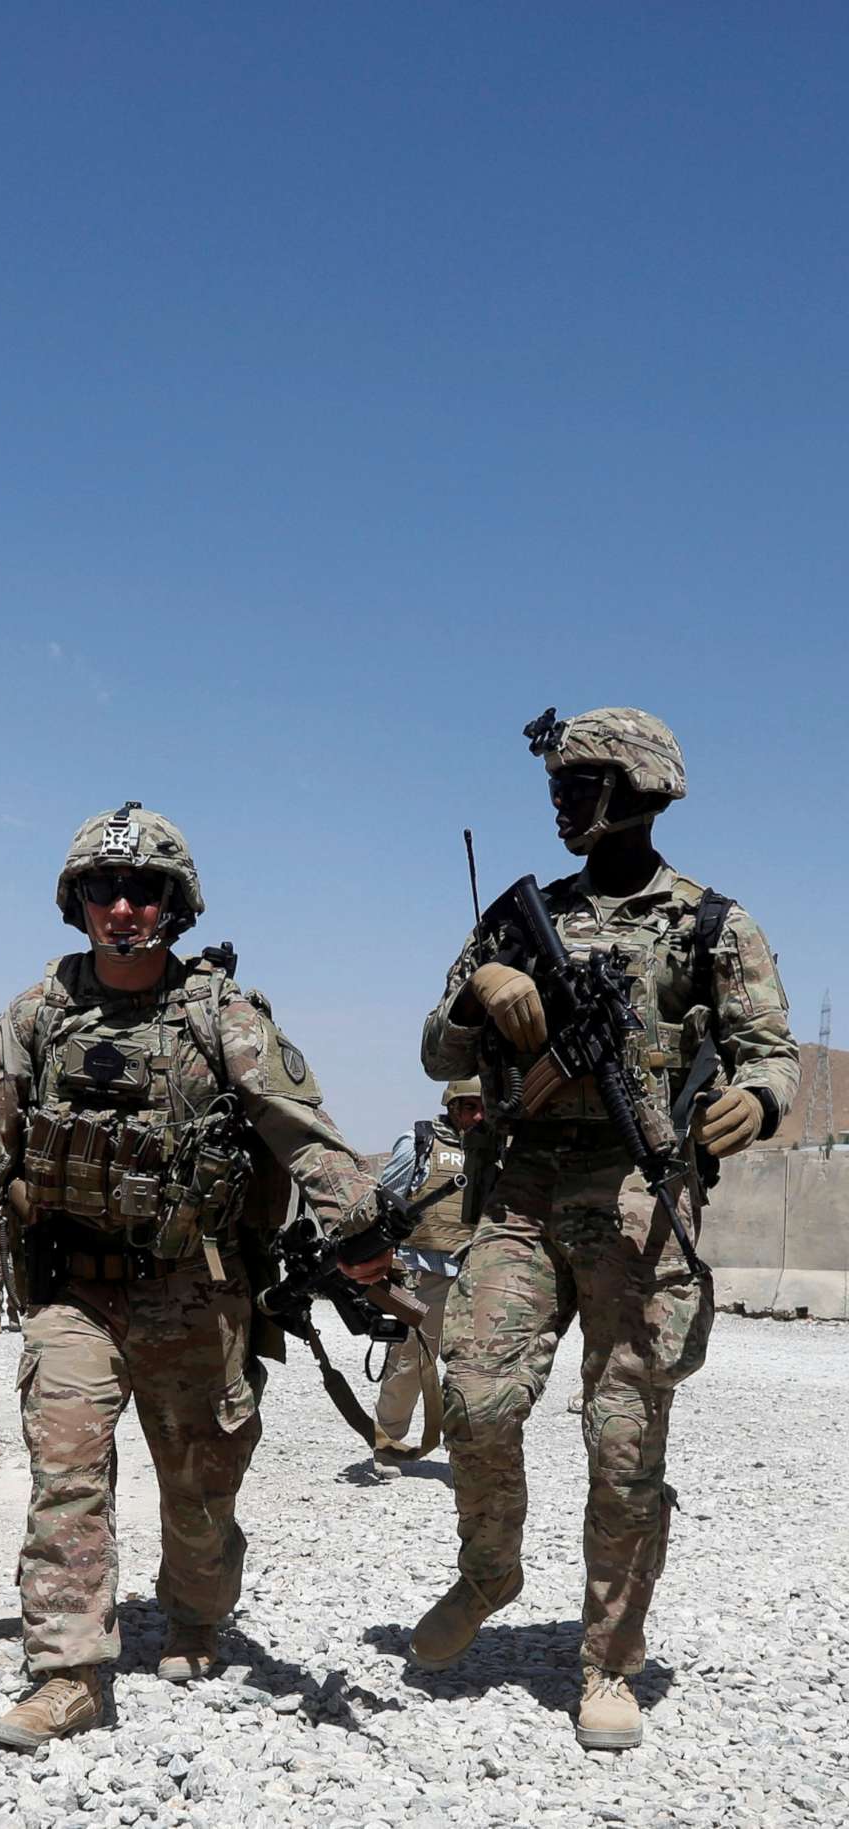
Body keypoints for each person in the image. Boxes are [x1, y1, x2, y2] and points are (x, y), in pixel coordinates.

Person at [0, 804, 391, 1751]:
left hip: (195, 1293)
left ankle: (197, 1610)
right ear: (76, 901)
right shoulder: (36, 1014)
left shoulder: (221, 1016)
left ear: (176, 903)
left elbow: (304, 1134)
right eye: (104, 888)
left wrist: (359, 1231)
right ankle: (69, 1669)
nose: (122, 906)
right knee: (67, 1472)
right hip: (73, 1291)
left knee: (201, 1487)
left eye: (144, 890)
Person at [408, 707, 791, 1751]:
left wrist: (752, 1104)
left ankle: (609, 1660)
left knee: (624, 1438)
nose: (563, 803)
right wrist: (484, 994)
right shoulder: (516, 919)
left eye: (583, 785)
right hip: (522, 1188)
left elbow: (770, 1053)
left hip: (636, 1192)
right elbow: (441, 1049)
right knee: (477, 1397)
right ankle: (490, 1569)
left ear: (638, 788)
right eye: (559, 786)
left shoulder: (713, 924)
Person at [366, 1078, 489, 1469]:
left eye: (483, 1106)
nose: (478, 1115)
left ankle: (466, 1453)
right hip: (425, 1273)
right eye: (469, 1106)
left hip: (477, 1273)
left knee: (475, 1369)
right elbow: (387, 1203)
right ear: (452, 1107)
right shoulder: (419, 1142)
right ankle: (388, 1443)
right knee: (409, 1364)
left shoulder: (494, 1150)